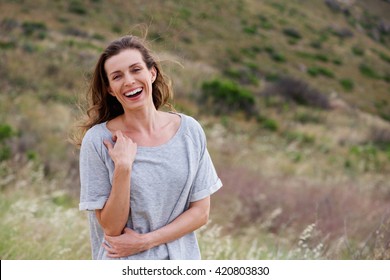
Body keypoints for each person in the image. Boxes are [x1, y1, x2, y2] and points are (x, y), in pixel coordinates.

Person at [77, 35, 222, 260]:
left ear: (151, 73)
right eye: (117, 76)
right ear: (110, 89)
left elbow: (201, 213)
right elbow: (112, 228)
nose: (129, 81)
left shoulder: (190, 131)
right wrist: (123, 168)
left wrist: (145, 242)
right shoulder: (98, 141)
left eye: (136, 70)